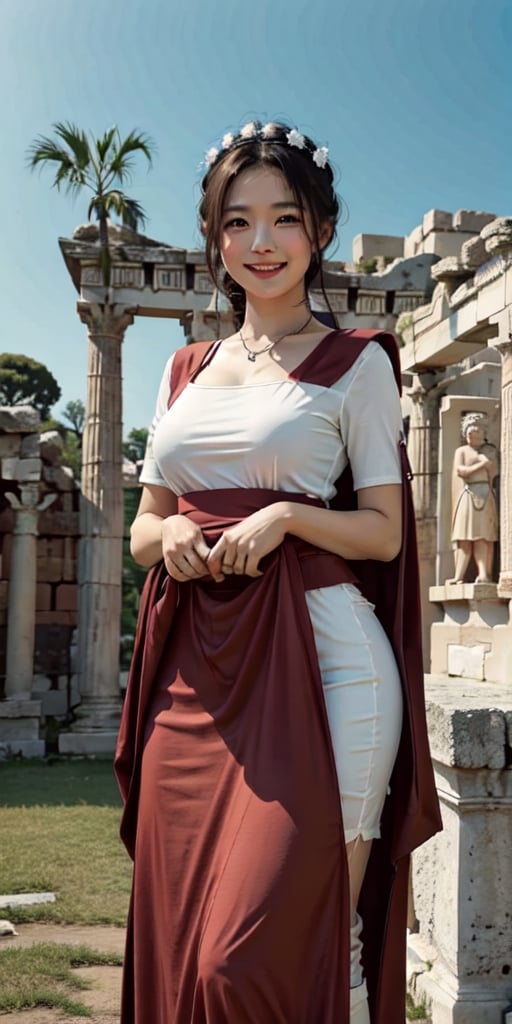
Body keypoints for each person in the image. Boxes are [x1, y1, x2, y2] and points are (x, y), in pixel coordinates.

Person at [114, 120, 441, 1024]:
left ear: (321, 230)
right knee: (185, 937)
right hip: (193, 676)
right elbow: (142, 525)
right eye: (235, 222)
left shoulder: (357, 364)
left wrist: (290, 514)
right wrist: (170, 536)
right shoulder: (184, 370)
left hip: (328, 662)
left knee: (263, 953)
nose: (259, 243)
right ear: (214, 237)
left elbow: (383, 534)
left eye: (283, 219)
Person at [450, 412, 498, 583]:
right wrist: (481, 464)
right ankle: (459, 575)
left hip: (485, 495)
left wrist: (488, 462)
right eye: (470, 430)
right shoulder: (462, 451)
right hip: (469, 494)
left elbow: (495, 471)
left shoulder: (489, 451)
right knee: (464, 537)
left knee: (483, 537)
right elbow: (461, 472)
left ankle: (484, 574)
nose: (473, 433)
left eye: (478, 430)